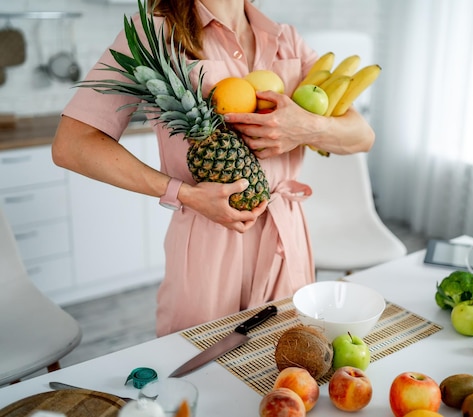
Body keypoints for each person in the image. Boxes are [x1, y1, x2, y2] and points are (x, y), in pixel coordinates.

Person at [52, 0, 375, 337]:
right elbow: (72, 144)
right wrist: (182, 193)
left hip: (286, 236)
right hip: (208, 239)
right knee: (200, 369)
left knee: (290, 367)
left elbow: (362, 136)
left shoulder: (285, 38)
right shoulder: (155, 31)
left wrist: (306, 129)